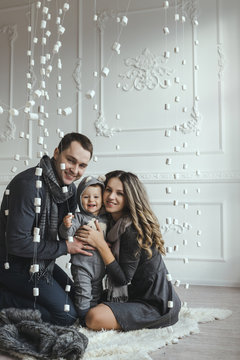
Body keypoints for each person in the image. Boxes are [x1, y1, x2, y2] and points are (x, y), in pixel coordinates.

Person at [0, 132, 94, 326]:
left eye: (82, 165)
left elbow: (65, 231)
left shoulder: (71, 190)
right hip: (13, 265)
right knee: (66, 316)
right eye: (71, 160)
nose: (75, 170)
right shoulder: (28, 185)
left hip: (41, 263)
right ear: (56, 152)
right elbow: (17, 244)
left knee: (79, 300)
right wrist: (66, 247)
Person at [77, 170, 181, 331]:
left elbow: (122, 280)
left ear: (130, 198)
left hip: (155, 304)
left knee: (93, 317)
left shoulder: (132, 229)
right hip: (133, 294)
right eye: (109, 190)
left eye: (120, 193)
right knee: (78, 297)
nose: (111, 197)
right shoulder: (109, 222)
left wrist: (101, 245)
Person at [59, 175, 108, 324]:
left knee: (96, 293)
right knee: (83, 294)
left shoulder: (106, 219)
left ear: (102, 199)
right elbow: (66, 234)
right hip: (82, 267)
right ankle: (83, 318)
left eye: (95, 197)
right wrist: (66, 226)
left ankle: (91, 317)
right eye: (86, 197)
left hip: (100, 268)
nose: (91, 200)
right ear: (80, 199)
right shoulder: (78, 218)